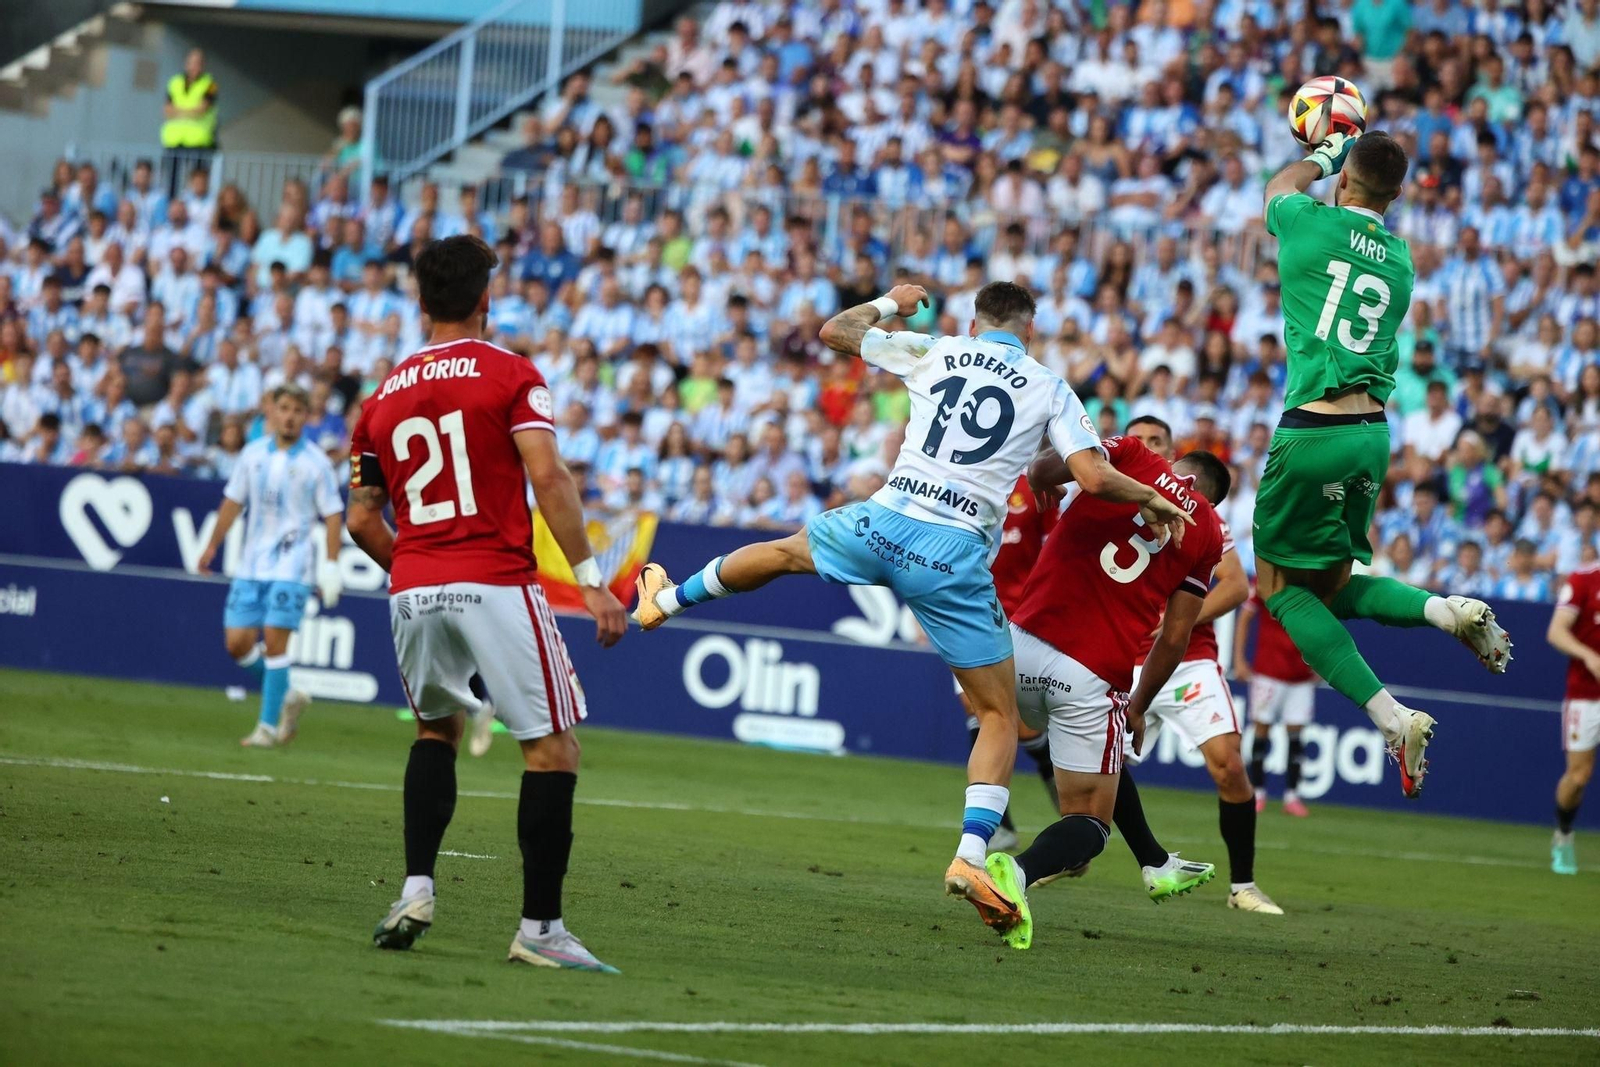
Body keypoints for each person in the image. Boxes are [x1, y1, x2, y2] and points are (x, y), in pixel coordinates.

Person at [630, 280, 1192, 945]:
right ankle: (970, 855)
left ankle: (662, 602)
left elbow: (835, 331)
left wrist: (892, 301)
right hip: (952, 556)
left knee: (783, 552)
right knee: (998, 716)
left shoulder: (940, 349)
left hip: (883, 520)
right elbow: (1094, 478)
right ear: (1028, 330)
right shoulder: (1049, 385)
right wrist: (1152, 500)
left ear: (977, 323)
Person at [345, 235, 627, 971]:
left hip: (414, 585)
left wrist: (412, 566)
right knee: (552, 748)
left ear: (419, 301)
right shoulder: (511, 374)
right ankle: (540, 929)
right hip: (495, 577)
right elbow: (550, 477)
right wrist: (592, 578)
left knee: (433, 732)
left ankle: (414, 890)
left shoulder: (382, 396)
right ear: (483, 301)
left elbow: (360, 519)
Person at [1256, 130, 1513, 800]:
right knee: (1337, 584)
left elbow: (1276, 190)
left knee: (1280, 586)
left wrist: (1320, 154)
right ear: (1396, 197)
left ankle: (1394, 717)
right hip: (1372, 434)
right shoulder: (1400, 262)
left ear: (1343, 180)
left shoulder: (1307, 224)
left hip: (1314, 427)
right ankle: (1442, 608)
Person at [997, 435, 1232, 949]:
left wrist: (1051, 487)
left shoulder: (1129, 454)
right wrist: (1138, 705)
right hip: (1088, 671)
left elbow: (1040, 472)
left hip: (1019, 644)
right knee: (1087, 824)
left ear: (1175, 464)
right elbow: (1175, 637)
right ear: (1213, 501)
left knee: (1000, 735)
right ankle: (1014, 872)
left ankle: (1154, 862)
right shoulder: (1210, 534)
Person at [1115, 416, 1280, 915]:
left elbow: (1233, 585)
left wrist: (1174, 622)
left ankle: (1243, 886)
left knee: (1229, 763)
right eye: (1138, 440)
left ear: (1171, 454)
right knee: (1095, 778)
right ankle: (1074, 852)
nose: (1147, 447)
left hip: (1187, 662)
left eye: (1157, 441)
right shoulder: (1106, 499)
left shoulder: (1204, 517)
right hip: (1122, 660)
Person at [194, 385, 343, 748]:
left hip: (293, 567)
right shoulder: (252, 454)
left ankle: (266, 727)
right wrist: (212, 543)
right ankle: (288, 693)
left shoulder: (316, 463)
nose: (290, 416)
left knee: (276, 643)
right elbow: (233, 501)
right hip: (251, 563)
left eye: (297, 410)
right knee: (237, 644)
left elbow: (333, 514)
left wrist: (331, 564)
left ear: (306, 417)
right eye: (284, 408)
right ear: (271, 413)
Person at [962, 473, 1059, 852]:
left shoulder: (1035, 486)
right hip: (971, 612)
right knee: (975, 705)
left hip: (1021, 617)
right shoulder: (965, 481)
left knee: (1023, 727)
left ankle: (1072, 815)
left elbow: (1055, 547)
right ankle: (1000, 827)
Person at [1235, 592, 1318, 816]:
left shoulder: (1311, 584)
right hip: (1268, 672)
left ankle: (1292, 796)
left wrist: (1322, 660)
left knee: (1296, 736)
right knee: (1261, 731)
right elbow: (1245, 616)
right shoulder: (1266, 581)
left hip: (1301, 675)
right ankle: (1257, 793)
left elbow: (1323, 624)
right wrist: (1239, 659)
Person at [1547, 563, 1600, 874]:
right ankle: (1563, 835)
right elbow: (1556, 631)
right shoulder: (1585, 579)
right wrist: (1588, 655)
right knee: (1579, 776)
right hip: (1586, 696)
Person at [160, 49, 218, 194]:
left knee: (198, 182)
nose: (194, 66)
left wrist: (178, 111)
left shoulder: (210, 84)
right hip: (175, 141)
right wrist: (191, 111)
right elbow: (166, 110)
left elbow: (202, 109)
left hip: (199, 142)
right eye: (192, 62)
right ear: (186, 63)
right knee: (172, 183)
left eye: (198, 63)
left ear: (203, 65)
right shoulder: (175, 82)